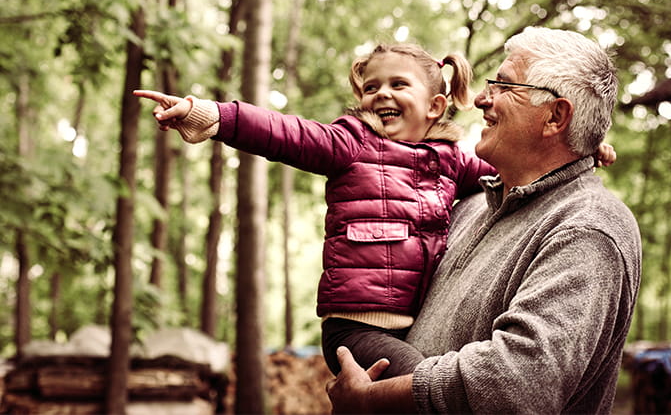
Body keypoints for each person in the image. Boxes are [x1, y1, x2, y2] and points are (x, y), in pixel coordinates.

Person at [326, 26, 641, 414]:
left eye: (503, 86)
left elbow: (518, 384)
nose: (479, 98)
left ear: (555, 117)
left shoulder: (586, 228)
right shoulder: (471, 206)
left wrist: (372, 400)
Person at [135, 43, 500, 378]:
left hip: (417, 322)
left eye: (398, 84)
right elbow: (285, 133)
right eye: (371, 88)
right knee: (427, 383)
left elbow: (503, 172)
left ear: (434, 106)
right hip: (355, 328)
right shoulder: (352, 143)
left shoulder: (450, 161)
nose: (382, 93)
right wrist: (209, 114)